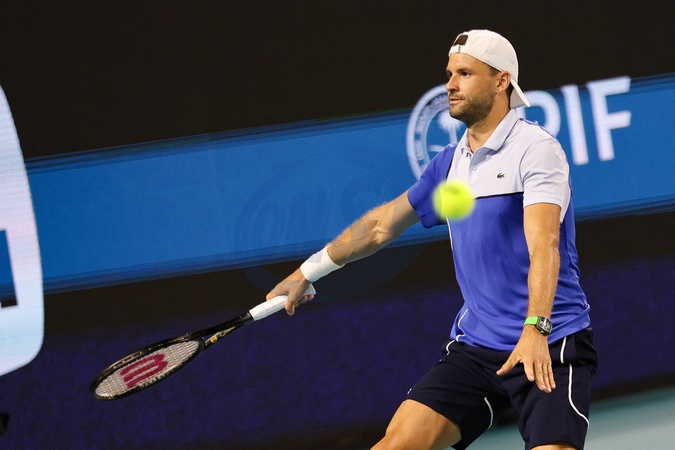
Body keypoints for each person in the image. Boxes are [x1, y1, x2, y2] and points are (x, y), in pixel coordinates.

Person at [267, 29, 597, 450]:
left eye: (465, 74)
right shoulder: (450, 165)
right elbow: (382, 225)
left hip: (549, 340)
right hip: (478, 347)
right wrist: (307, 272)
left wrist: (536, 328)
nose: (450, 86)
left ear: (502, 81)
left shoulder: (535, 149)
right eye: (449, 74)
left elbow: (544, 246)